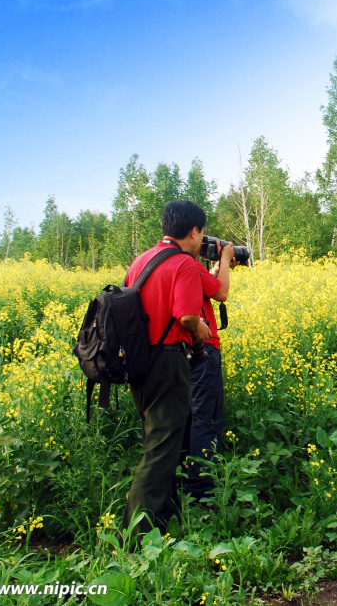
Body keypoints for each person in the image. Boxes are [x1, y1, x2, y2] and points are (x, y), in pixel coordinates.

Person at [122, 199, 219, 535]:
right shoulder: (185, 264)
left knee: (163, 440)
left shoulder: (141, 260)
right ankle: (134, 535)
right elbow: (188, 315)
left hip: (139, 360)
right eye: (202, 231)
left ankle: (164, 519)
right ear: (194, 231)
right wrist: (201, 329)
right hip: (167, 359)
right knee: (162, 448)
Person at [182, 238, 236, 501]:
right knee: (206, 418)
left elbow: (204, 287)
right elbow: (221, 293)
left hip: (171, 354)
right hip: (202, 349)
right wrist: (225, 258)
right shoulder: (186, 264)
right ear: (193, 232)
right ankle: (202, 492)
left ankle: (183, 480)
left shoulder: (155, 261)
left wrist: (214, 270)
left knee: (186, 417)